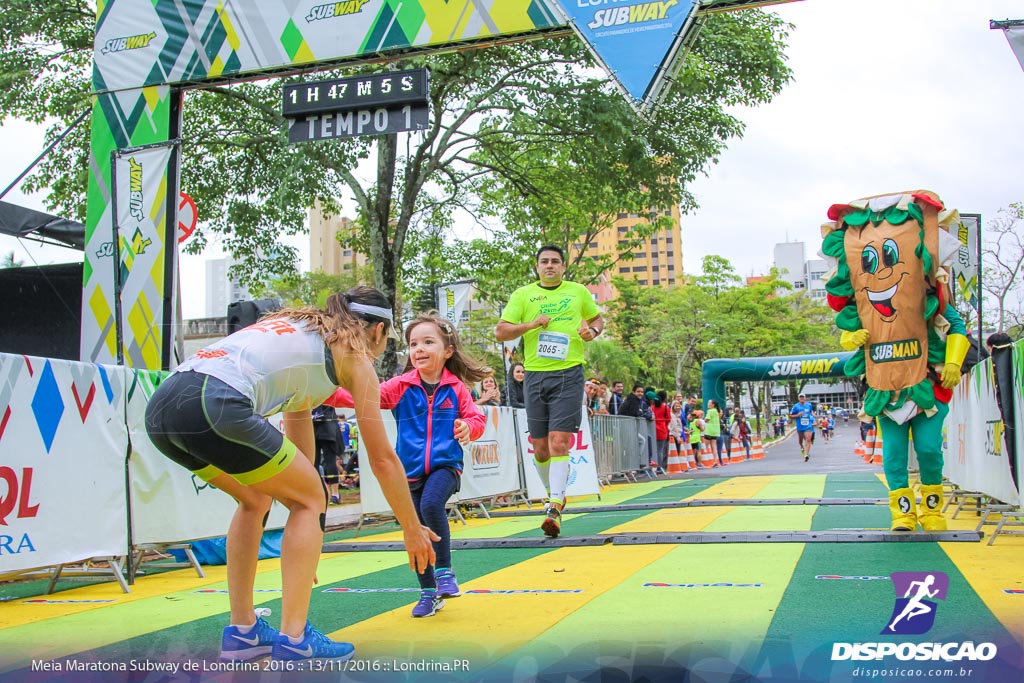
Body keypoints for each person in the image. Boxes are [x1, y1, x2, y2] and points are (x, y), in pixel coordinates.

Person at [144, 286, 437, 665]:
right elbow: (381, 459)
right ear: (379, 332)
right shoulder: (355, 356)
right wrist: (411, 527)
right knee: (313, 497)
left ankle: (243, 631)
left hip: (164, 406)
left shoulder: (301, 329)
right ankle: (295, 639)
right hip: (213, 400)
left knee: (255, 497)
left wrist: (305, 541)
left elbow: (296, 455)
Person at [328, 313, 488, 618]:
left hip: (446, 466)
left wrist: (469, 427)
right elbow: (361, 396)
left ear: (448, 351)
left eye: (428, 342)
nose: (419, 349)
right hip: (408, 472)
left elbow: (476, 418)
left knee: (431, 505)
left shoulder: (456, 389)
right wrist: (326, 391)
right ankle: (428, 592)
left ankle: (444, 572)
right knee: (414, 530)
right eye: (414, 344)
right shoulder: (400, 386)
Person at [495, 245, 603, 538]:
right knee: (540, 448)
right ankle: (553, 494)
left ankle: (554, 505)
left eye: (555, 261)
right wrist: (531, 324)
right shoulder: (523, 295)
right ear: (537, 267)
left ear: (563, 266)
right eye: (544, 262)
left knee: (559, 442)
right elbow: (501, 331)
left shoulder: (577, 291)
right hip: (535, 376)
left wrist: (591, 332)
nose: (550, 266)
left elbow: (596, 320)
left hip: (568, 373)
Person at [311, 403, 344, 504]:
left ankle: (317, 493)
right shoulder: (329, 392)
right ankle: (334, 494)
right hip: (328, 429)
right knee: (330, 461)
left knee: (314, 462)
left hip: (313, 429)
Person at [651, 390, 672, 471]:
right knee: (660, 450)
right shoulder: (665, 408)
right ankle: (660, 467)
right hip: (662, 430)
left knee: (653, 449)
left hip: (652, 429)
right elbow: (668, 419)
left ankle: (653, 466)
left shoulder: (652, 407)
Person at [791, 393, 815, 461]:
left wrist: (813, 415)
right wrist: (798, 415)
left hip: (808, 425)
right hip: (800, 426)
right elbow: (791, 416)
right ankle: (802, 447)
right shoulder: (796, 406)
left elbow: (811, 411)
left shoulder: (809, 405)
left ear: (805, 398)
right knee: (800, 441)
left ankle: (806, 454)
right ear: (798, 398)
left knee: (808, 439)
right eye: (800, 397)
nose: (801, 398)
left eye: (803, 397)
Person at [704, 399, 725, 467]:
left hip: (709, 430)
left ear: (713, 404)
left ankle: (707, 460)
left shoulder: (710, 411)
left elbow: (707, 420)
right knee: (714, 447)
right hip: (715, 431)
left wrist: (704, 420)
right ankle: (715, 461)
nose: (708, 404)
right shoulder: (717, 411)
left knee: (706, 446)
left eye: (709, 403)